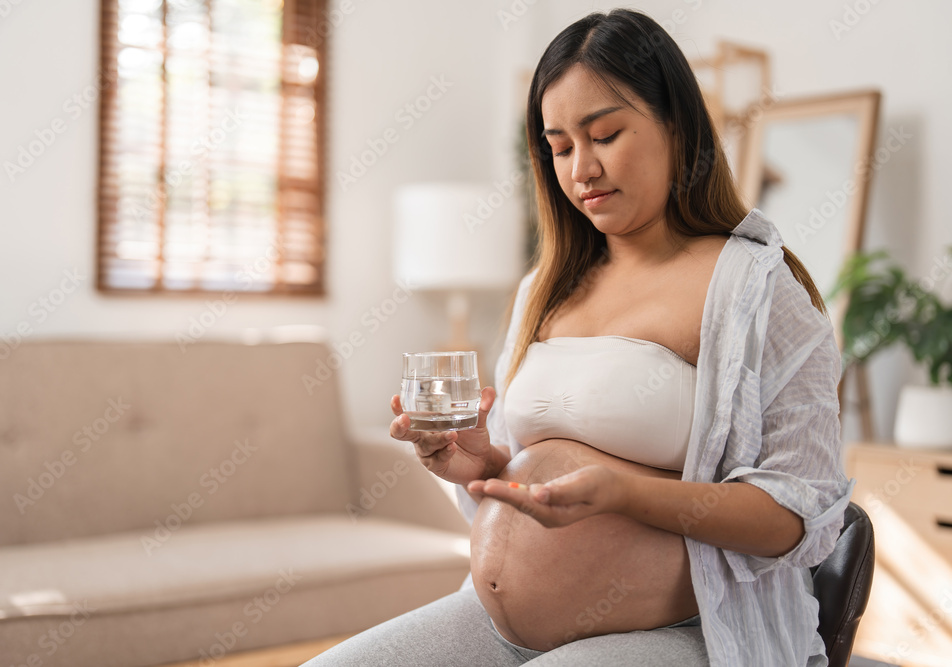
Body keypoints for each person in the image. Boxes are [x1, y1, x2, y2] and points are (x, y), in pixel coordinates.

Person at [303, 8, 853, 667]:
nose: (581, 168)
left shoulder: (754, 286)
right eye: (560, 147)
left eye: (606, 134)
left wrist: (626, 492)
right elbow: (523, 474)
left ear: (676, 123)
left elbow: (798, 515)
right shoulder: (547, 283)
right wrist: (476, 463)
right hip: (495, 621)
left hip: (689, 629)